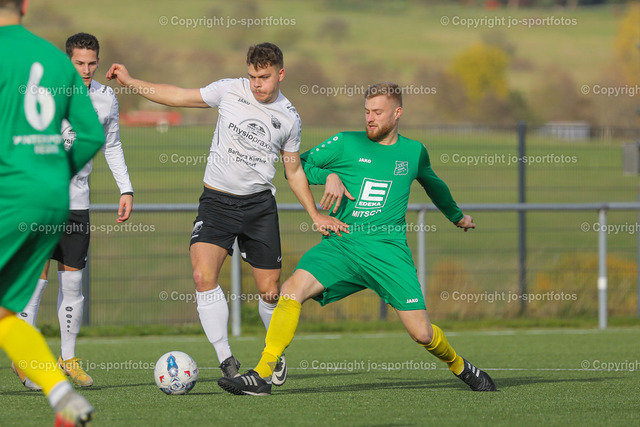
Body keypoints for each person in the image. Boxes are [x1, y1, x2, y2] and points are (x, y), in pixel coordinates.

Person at [217, 82, 497, 396]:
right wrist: (329, 175)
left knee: (422, 334)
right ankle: (262, 374)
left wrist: (456, 216)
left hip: (388, 253)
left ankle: (460, 366)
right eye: (366, 111)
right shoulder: (345, 143)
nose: (370, 118)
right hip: (343, 243)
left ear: (397, 113)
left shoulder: (414, 152)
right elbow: (295, 165)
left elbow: (434, 184)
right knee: (291, 290)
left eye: (377, 112)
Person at [105, 43, 347, 383]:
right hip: (216, 202)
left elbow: (293, 171)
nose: (257, 84)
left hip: (259, 208)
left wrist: (315, 214)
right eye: (252, 77)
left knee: (270, 292)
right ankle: (226, 360)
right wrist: (131, 82)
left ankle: (273, 353)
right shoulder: (229, 90)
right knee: (202, 276)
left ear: (280, 74)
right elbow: (178, 96)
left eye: (264, 77)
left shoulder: (289, 118)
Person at [0, 0, 105, 424]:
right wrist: (51, 172)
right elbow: (91, 134)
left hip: (9, 194)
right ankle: (63, 396)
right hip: (52, 197)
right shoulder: (54, 60)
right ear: (25, 5)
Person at [15, 32, 134, 390]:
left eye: (91, 63)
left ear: (98, 62)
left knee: (72, 284)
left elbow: (112, 144)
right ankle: (26, 359)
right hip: (40, 202)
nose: (85, 69)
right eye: (79, 63)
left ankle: (68, 359)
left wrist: (125, 188)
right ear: (67, 61)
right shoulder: (44, 93)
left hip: (77, 205)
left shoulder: (105, 98)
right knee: (35, 282)